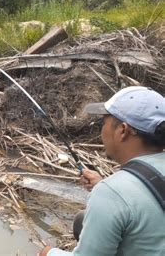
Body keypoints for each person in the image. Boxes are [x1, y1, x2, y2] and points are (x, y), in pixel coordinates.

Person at [39, 86, 165, 256]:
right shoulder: (117, 190)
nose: (102, 129)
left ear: (123, 130)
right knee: (81, 220)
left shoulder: (111, 193)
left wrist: (49, 253)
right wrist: (103, 184)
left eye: (104, 122)